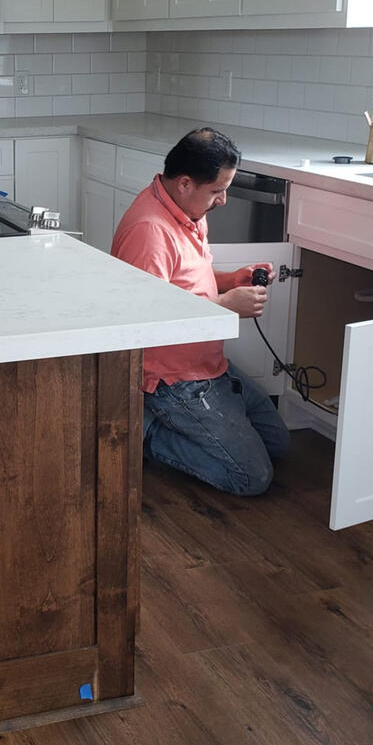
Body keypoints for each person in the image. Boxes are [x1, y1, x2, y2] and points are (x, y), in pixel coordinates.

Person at [111, 127, 289, 496]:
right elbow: (146, 317)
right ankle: (147, 431)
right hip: (173, 379)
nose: (223, 200)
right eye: (217, 191)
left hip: (210, 364)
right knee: (252, 478)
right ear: (185, 184)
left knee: (278, 444)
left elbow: (187, 280)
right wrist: (226, 306)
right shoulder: (149, 232)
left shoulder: (186, 210)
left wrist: (229, 280)